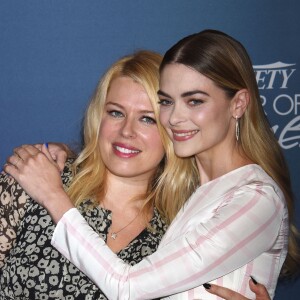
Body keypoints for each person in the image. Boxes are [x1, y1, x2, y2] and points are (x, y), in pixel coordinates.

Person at [5, 30, 299, 299]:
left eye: (194, 101)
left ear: (238, 104)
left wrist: (54, 197)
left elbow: (127, 286)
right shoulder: (38, 176)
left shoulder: (249, 199)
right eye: (168, 103)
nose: (175, 118)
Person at [0, 50, 175, 299]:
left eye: (147, 119)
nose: (127, 131)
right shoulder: (34, 180)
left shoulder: (178, 233)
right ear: (98, 117)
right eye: (116, 112)